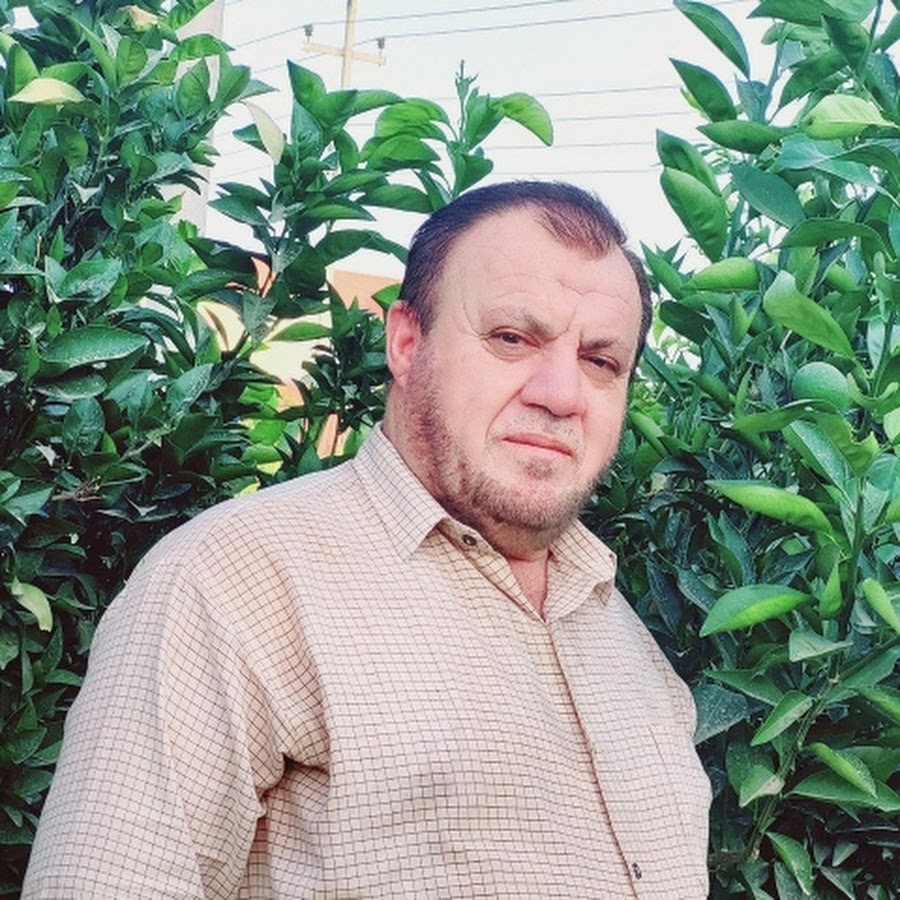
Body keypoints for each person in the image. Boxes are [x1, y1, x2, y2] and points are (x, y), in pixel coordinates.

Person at [23, 181, 710, 898]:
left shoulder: (624, 636)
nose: (562, 394)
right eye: (512, 338)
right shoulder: (233, 584)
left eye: (601, 361)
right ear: (407, 343)